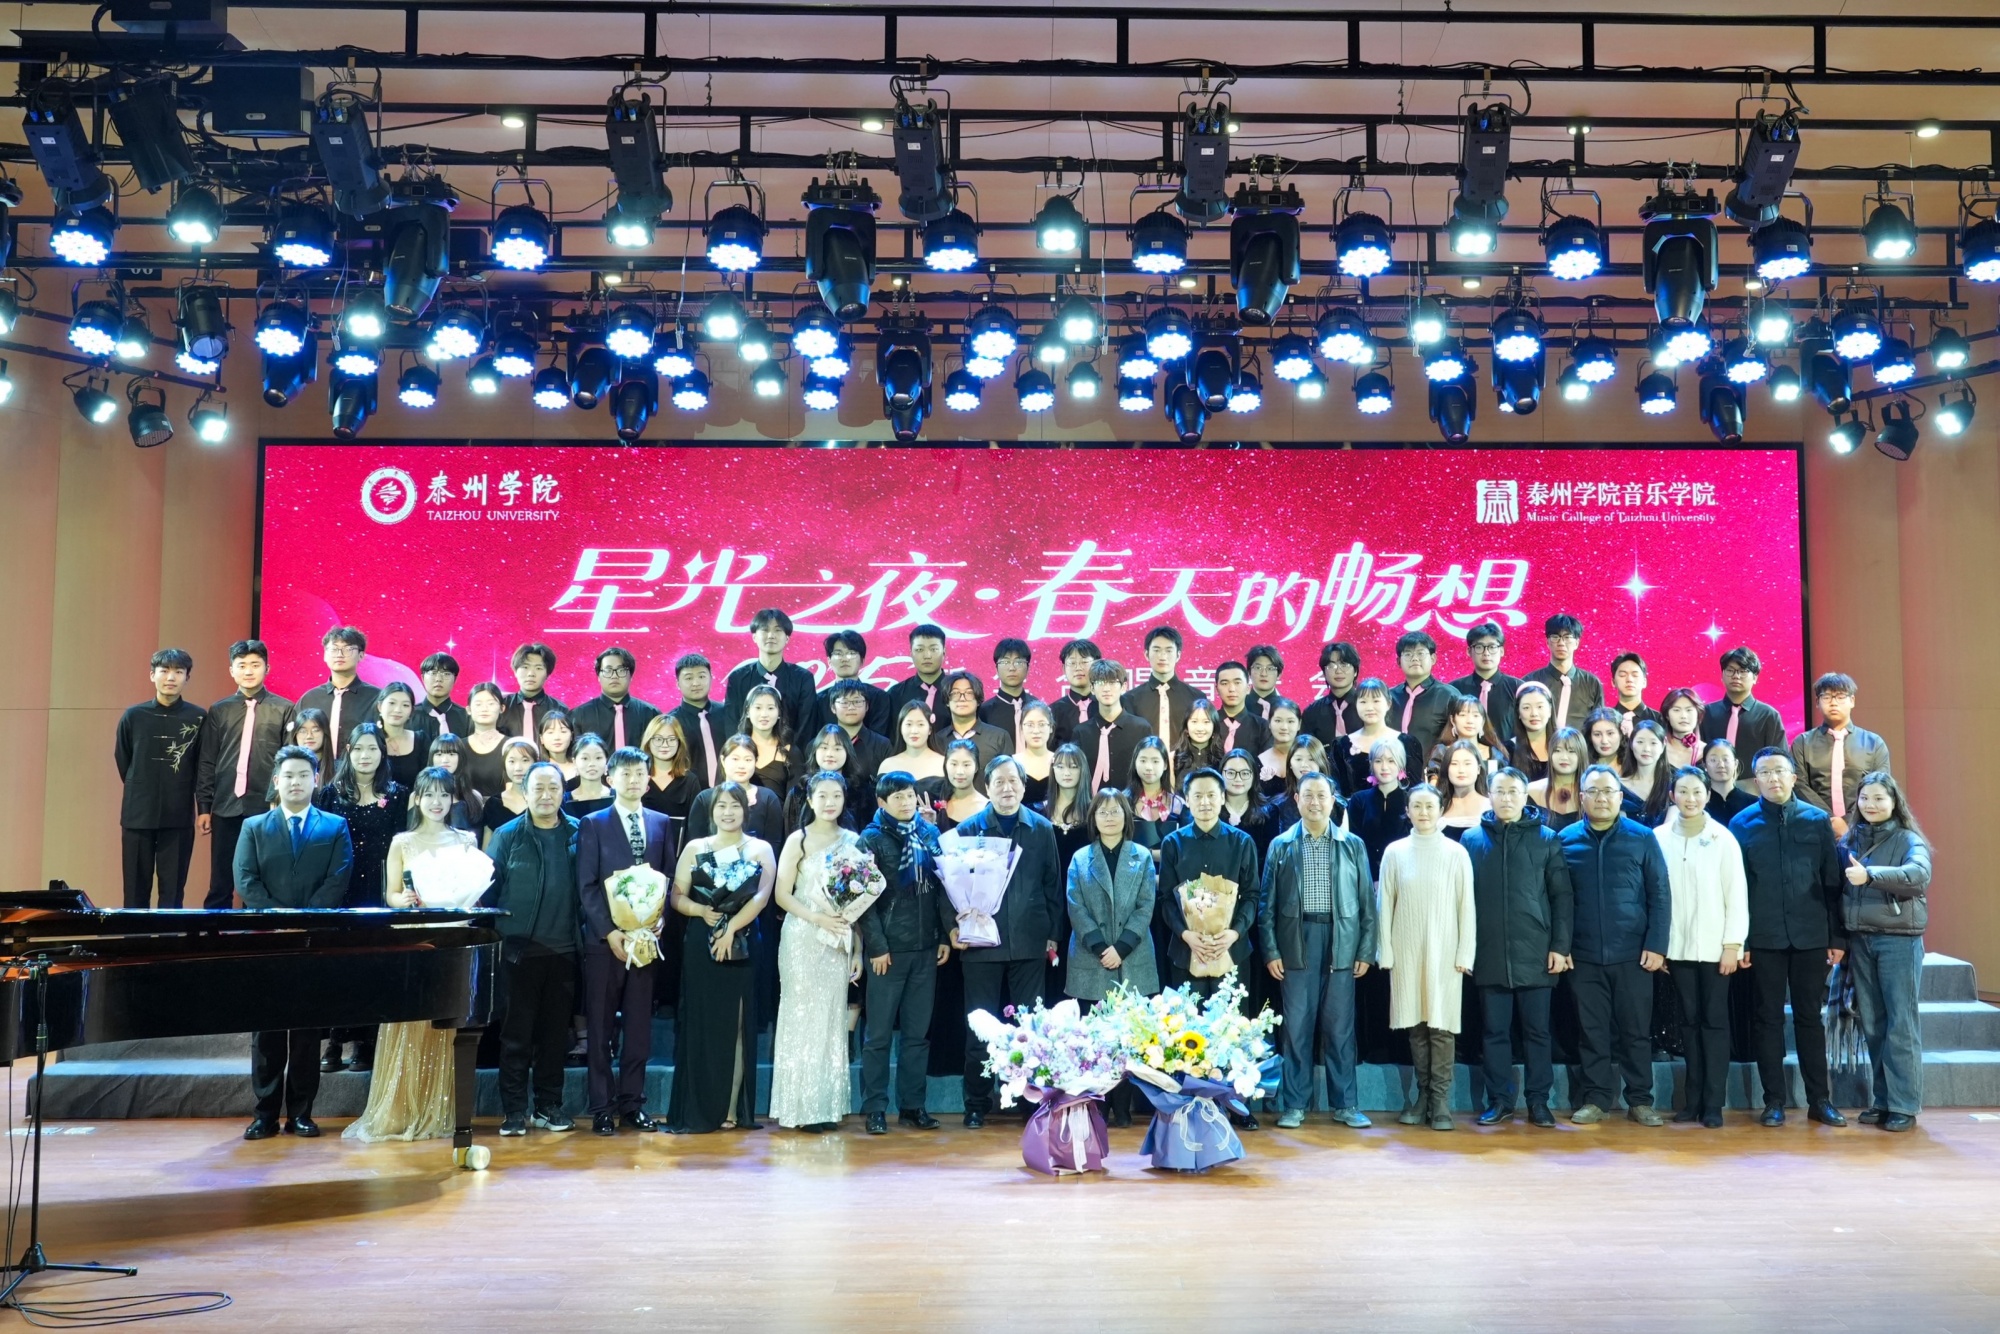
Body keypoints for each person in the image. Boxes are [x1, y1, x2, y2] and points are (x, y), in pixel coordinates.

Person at [348, 768, 498, 1143]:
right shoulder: (403, 842)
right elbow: (390, 895)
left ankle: (439, 1110)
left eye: (444, 795)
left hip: (453, 942)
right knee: (410, 1023)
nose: (436, 802)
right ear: (417, 799)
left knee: (446, 1024)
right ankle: (402, 1111)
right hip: (415, 941)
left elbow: (474, 890)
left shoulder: (466, 840)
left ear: (453, 800)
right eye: (429, 794)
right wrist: (405, 900)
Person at [235, 746, 352, 1140]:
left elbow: (338, 878)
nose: (296, 782)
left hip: (313, 941)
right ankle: (265, 1114)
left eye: (303, 775)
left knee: (306, 1033)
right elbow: (246, 880)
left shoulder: (334, 826)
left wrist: (303, 921)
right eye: (288, 775)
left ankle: (302, 1113)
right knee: (266, 1034)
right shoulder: (254, 827)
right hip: (267, 942)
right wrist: (277, 919)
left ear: (316, 779)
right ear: (276, 781)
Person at [1730, 748, 1847, 1128]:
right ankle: (1774, 1101)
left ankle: (1820, 1100)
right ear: (1756, 780)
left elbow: (1831, 881)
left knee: (1809, 1018)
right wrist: (1742, 940)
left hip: (1811, 936)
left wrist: (1837, 936)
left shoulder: (1816, 820)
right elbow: (1737, 888)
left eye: (1780, 771)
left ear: (1793, 777)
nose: (1773, 778)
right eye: (1765, 772)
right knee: (1767, 1019)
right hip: (1764, 938)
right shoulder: (1742, 823)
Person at [951, 756, 1065, 1129]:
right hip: (981, 943)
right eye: (999, 782)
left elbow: (1053, 884)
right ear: (987, 786)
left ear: (1023, 785)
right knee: (979, 1028)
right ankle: (976, 1103)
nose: (1007, 788)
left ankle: (1030, 1101)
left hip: (1030, 941)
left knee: (1029, 1028)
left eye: (1013, 781)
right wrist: (953, 926)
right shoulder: (969, 830)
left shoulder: (1041, 828)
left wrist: (1053, 933)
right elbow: (951, 885)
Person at [1260, 772, 1375, 1130]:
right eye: (1307, 795)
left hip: (1342, 940)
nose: (1314, 802)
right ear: (1296, 799)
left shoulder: (1352, 845)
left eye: (1321, 795)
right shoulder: (1281, 845)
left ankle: (1346, 1104)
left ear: (1333, 800)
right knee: (1296, 1027)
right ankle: (1294, 1104)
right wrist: (1271, 950)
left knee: (1340, 1028)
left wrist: (1365, 951)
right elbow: (1266, 905)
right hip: (1296, 940)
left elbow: (1367, 904)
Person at [1559, 764, 1671, 1127]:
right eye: (1593, 791)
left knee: (1635, 1032)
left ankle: (1640, 1100)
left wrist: (1656, 945)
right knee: (1591, 1032)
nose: (1601, 798)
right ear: (1582, 798)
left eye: (1608, 791)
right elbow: (1558, 899)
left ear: (1620, 798)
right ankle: (1595, 1099)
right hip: (1583, 955)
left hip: (1633, 954)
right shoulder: (1566, 840)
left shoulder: (1642, 837)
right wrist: (1563, 946)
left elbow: (1660, 893)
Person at [665, 782, 777, 1134]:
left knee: (737, 1026)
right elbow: (676, 896)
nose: (728, 812)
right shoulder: (696, 847)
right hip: (702, 940)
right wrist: (700, 910)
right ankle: (700, 1107)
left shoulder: (760, 848)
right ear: (711, 811)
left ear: (746, 810)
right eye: (721, 806)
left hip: (742, 941)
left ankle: (730, 1109)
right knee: (701, 1025)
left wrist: (731, 929)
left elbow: (760, 898)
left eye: (735, 805)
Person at [1463, 768, 1572, 1128]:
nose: (1506, 798)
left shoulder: (1547, 838)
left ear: (1525, 796)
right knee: (1494, 1032)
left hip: (1535, 951)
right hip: (1488, 950)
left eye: (1513, 791)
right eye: (1500, 791)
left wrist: (1560, 946)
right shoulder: (1471, 839)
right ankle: (1499, 1100)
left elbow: (1562, 897)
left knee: (1537, 1033)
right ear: (1490, 795)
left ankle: (1538, 1101)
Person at [473, 762, 577, 1138]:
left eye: (553, 788)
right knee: (515, 1036)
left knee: (555, 1037)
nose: (546, 796)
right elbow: (487, 891)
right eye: (538, 789)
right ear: (525, 792)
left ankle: (548, 1106)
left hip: (565, 950)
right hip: (518, 951)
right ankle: (514, 1111)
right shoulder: (507, 835)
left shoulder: (579, 832)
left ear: (563, 792)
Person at [576, 747, 676, 1135]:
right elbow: (587, 886)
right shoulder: (593, 823)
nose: (633, 780)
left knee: (638, 1028)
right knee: (601, 1027)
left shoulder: (661, 822)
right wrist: (610, 931)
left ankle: (633, 1104)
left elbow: (667, 880)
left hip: (646, 941)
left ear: (648, 779)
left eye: (639, 774)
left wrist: (659, 919)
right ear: (610, 779)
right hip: (606, 943)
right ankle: (602, 1107)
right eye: (625, 774)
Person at [769, 772, 867, 1132]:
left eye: (836, 795)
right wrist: (817, 918)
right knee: (801, 1017)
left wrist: (857, 950)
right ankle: (800, 1109)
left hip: (838, 939)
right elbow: (782, 895)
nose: (829, 802)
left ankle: (825, 1106)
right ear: (809, 800)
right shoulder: (798, 839)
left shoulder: (854, 841)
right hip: (802, 935)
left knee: (831, 1021)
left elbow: (857, 905)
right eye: (822, 795)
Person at [857, 773, 952, 1135]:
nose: (905, 802)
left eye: (909, 795)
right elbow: (863, 899)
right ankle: (875, 1108)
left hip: (925, 949)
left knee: (917, 1035)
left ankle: (913, 1105)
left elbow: (943, 889)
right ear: (882, 802)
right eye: (897, 797)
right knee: (878, 1036)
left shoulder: (928, 833)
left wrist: (943, 935)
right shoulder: (870, 838)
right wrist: (877, 947)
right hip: (888, 952)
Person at [1378, 784, 1476, 1131]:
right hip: (1407, 949)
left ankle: (1440, 1100)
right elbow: (1384, 904)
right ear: (1407, 810)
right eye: (1417, 806)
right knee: (1416, 1026)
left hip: (1445, 951)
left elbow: (1466, 906)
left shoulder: (1455, 852)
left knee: (1441, 1026)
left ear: (1440, 810)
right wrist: (1385, 950)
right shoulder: (1395, 852)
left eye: (1429, 806)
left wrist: (1465, 952)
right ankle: (1422, 1096)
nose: (1423, 812)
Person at [312, 720, 409, 1073]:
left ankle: (365, 1041)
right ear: (348, 752)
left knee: (374, 965)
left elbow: (403, 847)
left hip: (379, 891)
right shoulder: (329, 794)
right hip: (341, 889)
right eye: (359, 749)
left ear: (382, 753)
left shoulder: (398, 794)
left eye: (372, 748)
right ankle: (335, 1040)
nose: (365, 755)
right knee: (341, 966)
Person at [1655, 765, 1749, 1129]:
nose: (1690, 798)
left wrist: (1733, 944)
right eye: (1683, 791)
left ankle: (1713, 1103)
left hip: (1715, 949)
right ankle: (1691, 1100)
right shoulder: (1659, 838)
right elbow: (1656, 896)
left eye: (1697, 791)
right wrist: (1660, 946)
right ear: (1672, 796)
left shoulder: (1723, 838)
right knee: (1688, 1024)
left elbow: (1736, 895)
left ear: (1708, 796)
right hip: (1676, 949)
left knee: (1714, 1024)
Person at [1839, 770, 1931, 1133]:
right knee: (1874, 1024)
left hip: (1898, 941)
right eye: (1865, 798)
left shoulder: (1908, 839)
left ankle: (1904, 1104)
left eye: (1879, 798)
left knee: (1900, 1024)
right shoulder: (1850, 839)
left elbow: (1918, 875)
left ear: (1894, 802)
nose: (1871, 804)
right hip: (1860, 941)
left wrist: (1871, 875)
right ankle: (1882, 1100)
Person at [1065, 788, 1160, 1128]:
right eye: (1102, 811)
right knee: (1095, 1038)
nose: (1109, 817)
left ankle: (1123, 1108)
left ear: (1126, 816)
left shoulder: (1141, 856)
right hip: (1091, 959)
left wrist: (1121, 948)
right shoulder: (1080, 858)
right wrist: (1100, 947)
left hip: (1132, 957)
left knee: (1129, 1037)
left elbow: (1146, 905)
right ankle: (1098, 1107)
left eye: (1115, 811)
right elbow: (1075, 905)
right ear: (1093, 818)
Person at [195, 639, 297, 910]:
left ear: (267, 668)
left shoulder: (285, 708)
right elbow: (207, 761)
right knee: (220, 881)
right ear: (231, 670)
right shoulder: (219, 710)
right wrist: (204, 807)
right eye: (241, 666)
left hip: (267, 807)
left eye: (255, 665)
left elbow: (289, 763)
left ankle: (258, 933)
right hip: (226, 805)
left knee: (264, 881)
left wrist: (281, 803)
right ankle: (214, 932)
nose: (248, 671)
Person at [1157, 768, 1260, 998]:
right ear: (1187, 800)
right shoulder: (1172, 843)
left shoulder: (1242, 842)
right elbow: (1166, 900)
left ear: (1222, 797)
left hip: (1232, 951)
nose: (1205, 802)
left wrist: (1234, 933)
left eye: (1211, 795)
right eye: (1198, 796)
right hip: (1185, 952)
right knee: (1186, 1020)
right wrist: (1186, 934)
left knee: (1232, 1020)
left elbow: (1252, 895)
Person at [117, 647, 206, 909]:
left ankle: (169, 936)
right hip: (137, 814)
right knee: (135, 891)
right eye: (164, 671)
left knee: (173, 893)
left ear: (187, 677)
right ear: (152, 675)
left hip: (178, 814)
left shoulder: (199, 717)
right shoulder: (133, 716)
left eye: (178, 672)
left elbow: (202, 766)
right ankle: (135, 937)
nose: (170, 677)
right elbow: (124, 759)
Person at [1790, 672, 1893, 837]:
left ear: (1852, 701)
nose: (1833, 703)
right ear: (1817, 702)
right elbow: (1799, 785)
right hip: (1814, 829)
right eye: (1826, 697)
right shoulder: (1802, 742)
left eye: (1840, 697)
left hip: (1863, 830)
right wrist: (1829, 820)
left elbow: (1879, 786)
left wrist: (1848, 822)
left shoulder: (1874, 743)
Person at [1120, 626, 1207, 782]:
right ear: (1146, 654)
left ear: (1178, 655)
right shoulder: (1130, 699)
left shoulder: (1196, 697)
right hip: (1145, 776)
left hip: (1186, 774)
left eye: (1168, 650)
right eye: (1157, 650)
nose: (1162, 656)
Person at [722, 610, 817, 740]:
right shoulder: (738, 678)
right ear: (754, 637)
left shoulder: (803, 679)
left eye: (778, 630)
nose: (771, 635)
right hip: (747, 750)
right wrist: (743, 750)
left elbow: (806, 726)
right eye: (765, 630)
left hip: (791, 751)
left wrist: (789, 751)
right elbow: (732, 723)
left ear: (787, 638)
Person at [1699, 647, 1786, 783]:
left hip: (1754, 789)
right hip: (1712, 787)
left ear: (1755, 677)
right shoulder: (1706, 713)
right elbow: (1697, 756)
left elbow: (1779, 760)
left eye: (1743, 671)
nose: (1736, 676)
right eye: (1730, 670)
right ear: (1722, 675)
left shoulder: (1768, 716)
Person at [294, 626, 381, 759]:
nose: (340, 654)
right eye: (334, 649)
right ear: (325, 655)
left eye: (348, 649)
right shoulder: (309, 699)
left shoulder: (377, 698)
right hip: (317, 770)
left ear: (361, 655)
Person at [687, 735, 788, 847]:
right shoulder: (705, 798)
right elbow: (697, 844)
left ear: (756, 761)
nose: (741, 766)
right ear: (723, 760)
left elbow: (774, 844)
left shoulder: (768, 798)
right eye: (735, 759)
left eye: (748, 760)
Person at [1331, 677, 1420, 798]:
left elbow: (1415, 792)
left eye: (1376, 701)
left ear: (1388, 704)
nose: (1369, 708)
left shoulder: (1407, 743)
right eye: (1363, 702)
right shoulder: (1341, 745)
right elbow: (1338, 792)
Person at [1075, 659, 1153, 793]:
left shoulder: (1141, 728)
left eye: (1112, 682)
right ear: (1092, 688)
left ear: (1124, 686)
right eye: (1100, 683)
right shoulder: (1081, 732)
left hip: (1132, 803)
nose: (1106, 689)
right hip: (1090, 804)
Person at [568, 646, 662, 755]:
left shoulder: (651, 714)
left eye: (621, 670)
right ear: (598, 676)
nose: (614, 676)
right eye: (608, 670)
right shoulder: (579, 715)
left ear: (631, 675)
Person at [1385, 631, 1462, 757]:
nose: (1414, 658)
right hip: (1391, 766)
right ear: (1398, 661)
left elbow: (1461, 738)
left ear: (1433, 658)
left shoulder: (1449, 695)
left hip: (1433, 768)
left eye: (1420, 653)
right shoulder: (1388, 697)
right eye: (1408, 654)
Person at [1523, 613, 1604, 734]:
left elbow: (1599, 726)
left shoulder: (1592, 683)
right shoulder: (1530, 682)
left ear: (1576, 643)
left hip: (1580, 746)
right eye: (1555, 637)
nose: (1561, 642)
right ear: (1547, 642)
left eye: (1567, 637)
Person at [805, 630, 894, 739]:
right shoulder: (818, 701)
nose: (844, 659)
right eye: (838, 654)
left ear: (862, 660)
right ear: (829, 661)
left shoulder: (880, 698)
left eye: (851, 653)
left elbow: (880, 740)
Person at [1346, 740, 1411, 879]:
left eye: (1391, 761)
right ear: (1371, 764)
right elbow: (1354, 843)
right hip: (1365, 875)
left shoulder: (1411, 800)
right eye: (1378, 761)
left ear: (1400, 764)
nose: (1384, 767)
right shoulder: (1359, 800)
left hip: (1404, 874)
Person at [1451, 620, 1522, 744]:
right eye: (1479, 647)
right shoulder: (1454, 689)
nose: (1486, 653)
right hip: (1464, 753)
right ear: (1469, 651)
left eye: (1492, 647)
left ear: (1502, 651)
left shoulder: (1518, 688)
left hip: (1508, 754)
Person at [930, 670, 1010, 778]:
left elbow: (1009, 778)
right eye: (955, 693)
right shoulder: (937, 740)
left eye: (969, 693)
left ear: (978, 700)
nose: (962, 698)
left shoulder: (999, 737)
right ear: (947, 701)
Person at [669, 652, 732, 789]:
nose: (696, 683)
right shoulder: (671, 722)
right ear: (678, 684)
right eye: (688, 678)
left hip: (730, 790)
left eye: (702, 676)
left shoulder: (728, 713)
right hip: (687, 793)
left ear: (711, 679)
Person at [787, 726, 864, 832]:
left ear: (847, 752)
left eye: (837, 749)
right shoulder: (800, 791)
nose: (830, 754)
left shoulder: (861, 792)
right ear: (815, 751)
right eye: (824, 748)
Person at [878, 701, 948, 817]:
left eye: (920, 724)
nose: (914, 731)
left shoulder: (944, 763)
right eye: (909, 724)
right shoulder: (887, 765)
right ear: (900, 728)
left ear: (930, 729)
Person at [639, 714, 701, 836]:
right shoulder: (638, 778)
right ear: (648, 742)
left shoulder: (690, 780)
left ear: (679, 742)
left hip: (681, 846)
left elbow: (696, 826)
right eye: (658, 739)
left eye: (671, 739)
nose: (665, 744)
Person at [1126, 736, 1187, 858]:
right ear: (1135, 763)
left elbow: (1185, 848)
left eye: (1155, 761)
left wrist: (1148, 854)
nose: (1149, 767)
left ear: (1165, 765)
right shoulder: (1124, 802)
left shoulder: (1178, 804)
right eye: (1143, 760)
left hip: (1169, 869)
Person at [886, 622, 953, 731]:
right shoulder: (895, 694)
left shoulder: (957, 692)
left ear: (944, 652)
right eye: (919, 650)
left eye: (933, 649)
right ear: (911, 653)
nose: (927, 656)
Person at [1038, 743, 1093, 873]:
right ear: (1053, 769)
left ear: (1082, 770)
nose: (1066, 773)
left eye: (1073, 767)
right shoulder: (1038, 812)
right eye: (1060, 767)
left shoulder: (1095, 813)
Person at [738, 682, 800, 796]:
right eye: (758, 708)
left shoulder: (790, 752)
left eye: (770, 708)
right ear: (747, 712)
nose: (764, 714)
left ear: (779, 713)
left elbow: (796, 798)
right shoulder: (735, 748)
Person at [979, 638, 1043, 747]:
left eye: (1018, 662)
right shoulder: (984, 712)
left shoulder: (1038, 708)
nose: (1012, 668)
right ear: (996, 668)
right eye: (1005, 662)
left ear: (1028, 668)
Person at [477, 738, 540, 848]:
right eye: (512, 761)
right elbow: (487, 848)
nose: (518, 768)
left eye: (525, 760)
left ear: (536, 763)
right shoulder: (493, 804)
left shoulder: (544, 800)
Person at [828, 681, 895, 784]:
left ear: (867, 706)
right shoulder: (820, 744)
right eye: (844, 702)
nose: (851, 707)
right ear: (833, 707)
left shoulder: (883, 745)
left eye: (857, 701)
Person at [1301, 641, 1364, 748]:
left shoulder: (1368, 707)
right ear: (1324, 673)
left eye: (1344, 664)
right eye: (1331, 665)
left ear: (1355, 671)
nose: (1338, 671)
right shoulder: (1312, 712)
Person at [1219, 749, 1278, 863]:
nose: (1238, 779)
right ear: (1221, 774)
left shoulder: (1269, 813)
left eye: (1245, 773)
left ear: (1254, 775)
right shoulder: (1212, 811)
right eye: (1231, 773)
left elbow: (1271, 860)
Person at [1428, 696, 1504, 782]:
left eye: (1475, 715)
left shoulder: (1494, 754)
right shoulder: (1442, 752)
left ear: (1483, 721)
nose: (1470, 721)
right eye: (1463, 715)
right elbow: (1433, 786)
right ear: (1452, 720)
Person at [459, 683, 512, 804]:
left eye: (491, 703)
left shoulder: (511, 746)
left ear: (502, 708)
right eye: (478, 704)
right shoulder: (458, 746)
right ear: (468, 710)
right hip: (464, 810)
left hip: (501, 809)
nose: (484, 709)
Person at [500, 642, 565, 740]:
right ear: (515, 672)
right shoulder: (501, 707)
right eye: (525, 667)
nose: (531, 674)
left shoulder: (560, 709)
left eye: (538, 668)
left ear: (547, 674)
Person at [1527, 728, 1587, 831]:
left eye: (1571, 751)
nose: (1564, 757)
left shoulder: (1592, 792)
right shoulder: (1530, 791)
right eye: (1557, 751)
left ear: (1581, 755)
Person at [375, 683, 431, 790]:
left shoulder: (421, 740)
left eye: (405, 705)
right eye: (392, 703)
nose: (397, 710)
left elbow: (428, 782)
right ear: (380, 707)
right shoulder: (370, 740)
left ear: (411, 711)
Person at [1212, 661, 1272, 761]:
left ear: (1248, 688)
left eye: (1237, 683)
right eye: (1225, 683)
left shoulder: (1262, 727)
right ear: (1216, 689)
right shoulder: (1209, 723)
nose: (1231, 689)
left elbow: (1266, 766)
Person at [1049, 638, 1102, 746]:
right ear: (1063, 669)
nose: (1078, 668)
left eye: (1084, 662)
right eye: (1072, 663)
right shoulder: (1052, 712)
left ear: (1097, 665)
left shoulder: (1106, 706)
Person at [1435, 740, 1491, 839]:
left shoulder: (1491, 806)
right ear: (1447, 769)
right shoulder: (1436, 807)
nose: (1461, 770)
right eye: (1454, 764)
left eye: (1467, 764)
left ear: (1478, 769)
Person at [1622, 720, 1673, 825]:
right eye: (1640, 742)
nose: (1646, 749)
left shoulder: (1673, 784)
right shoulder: (1618, 786)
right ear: (1631, 744)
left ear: (1663, 745)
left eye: (1653, 743)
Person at [936, 738, 990, 831]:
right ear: (945, 765)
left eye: (966, 765)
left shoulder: (986, 808)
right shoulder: (935, 799)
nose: (960, 772)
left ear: (976, 767)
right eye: (954, 764)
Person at [1507, 680, 1556, 783]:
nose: (1534, 713)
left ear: (1550, 710)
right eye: (1526, 708)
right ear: (1518, 712)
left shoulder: (1563, 746)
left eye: (1540, 707)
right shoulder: (1507, 749)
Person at [1254, 699, 1303, 801]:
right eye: (1278, 721)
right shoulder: (1257, 762)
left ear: (1299, 724)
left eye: (1290, 721)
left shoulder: (1310, 760)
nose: (1284, 727)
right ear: (1269, 723)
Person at [417, 652, 472, 739]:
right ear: (423, 677)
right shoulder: (408, 716)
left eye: (446, 674)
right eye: (433, 673)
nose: (438, 679)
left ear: (455, 679)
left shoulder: (467, 718)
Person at [1173, 698, 1228, 784]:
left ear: (1214, 726)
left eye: (1206, 722)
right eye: (1194, 722)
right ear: (1186, 726)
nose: (1200, 728)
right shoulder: (1173, 758)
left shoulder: (1223, 759)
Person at [1012, 702, 1057, 807]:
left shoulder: (1061, 761)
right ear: (1021, 728)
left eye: (1041, 724)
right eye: (1030, 725)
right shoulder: (1011, 764)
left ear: (1051, 727)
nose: (1036, 731)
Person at [1608, 652, 1663, 737]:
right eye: (1622, 675)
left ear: (1644, 682)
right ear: (1613, 682)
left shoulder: (1660, 720)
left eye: (1635, 675)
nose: (1629, 679)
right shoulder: (1605, 720)